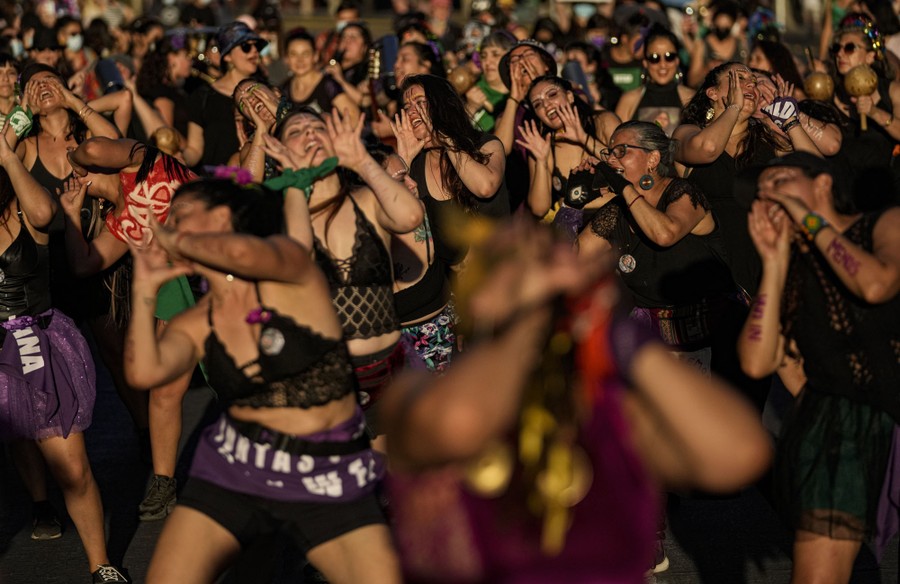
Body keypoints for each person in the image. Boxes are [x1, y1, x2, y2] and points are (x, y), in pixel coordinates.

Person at [382, 217, 772, 583]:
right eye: (518, 264)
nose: (544, 274)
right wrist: (527, 319)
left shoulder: (609, 412)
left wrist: (619, 333)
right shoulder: (413, 393)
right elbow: (457, 422)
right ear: (479, 297)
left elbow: (739, 453)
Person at [125, 178, 400, 584]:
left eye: (179, 215)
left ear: (221, 218)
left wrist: (173, 239)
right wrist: (144, 288)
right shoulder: (198, 319)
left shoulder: (289, 273)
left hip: (324, 470)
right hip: (238, 467)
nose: (166, 224)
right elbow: (143, 372)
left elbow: (238, 251)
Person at [738, 151, 900, 584]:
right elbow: (758, 362)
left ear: (823, 185)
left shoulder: (883, 224)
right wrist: (773, 265)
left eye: (782, 181)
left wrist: (809, 222)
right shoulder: (791, 265)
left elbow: (876, 283)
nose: (770, 195)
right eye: (763, 192)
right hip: (838, 428)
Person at [0, 123, 128, 583]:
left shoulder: (18, 212)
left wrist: (8, 156)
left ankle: (102, 564)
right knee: (18, 440)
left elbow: (44, 209)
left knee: (72, 467)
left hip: (35, 344)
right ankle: (38, 504)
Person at [61, 137, 197, 522]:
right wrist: (72, 214)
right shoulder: (120, 226)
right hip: (181, 281)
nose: (75, 180)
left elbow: (89, 150)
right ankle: (163, 480)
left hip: (224, 247)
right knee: (165, 387)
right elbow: (85, 264)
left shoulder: (141, 162)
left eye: (78, 178)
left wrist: (75, 161)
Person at [264, 106, 423, 435]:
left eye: (317, 127)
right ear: (279, 151)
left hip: (387, 368)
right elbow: (296, 261)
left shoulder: (366, 198)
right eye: (295, 131)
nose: (309, 133)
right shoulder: (280, 216)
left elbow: (410, 217)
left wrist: (362, 161)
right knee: (344, 477)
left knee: (392, 476)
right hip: (324, 374)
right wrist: (295, 182)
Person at [674, 62, 818, 296]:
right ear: (712, 92)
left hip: (766, 267)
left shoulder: (767, 140)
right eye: (740, 78)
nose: (751, 83)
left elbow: (817, 171)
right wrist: (733, 108)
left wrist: (791, 122)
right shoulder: (687, 132)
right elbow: (708, 148)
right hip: (711, 273)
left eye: (753, 80)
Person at [518, 74, 617, 225]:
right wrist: (541, 161)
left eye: (552, 94)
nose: (546, 105)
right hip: (570, 228)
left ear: (570, 96)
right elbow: (539, 209)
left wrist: (584, 138)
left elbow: (627, 169)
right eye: (537, 104)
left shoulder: (603, 121)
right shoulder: (542, 145)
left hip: (615, 219)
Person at [183, 22, 267, 170]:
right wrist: (177, 158)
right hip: (214, 183)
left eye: (257, 47)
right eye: (246, 47)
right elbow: (194, 150)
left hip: (254, 181)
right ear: (227, 56)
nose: (254, 52)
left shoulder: (267, 93)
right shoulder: (202, 97)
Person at [615, 25, 695, 137]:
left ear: (677, 60)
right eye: (654, 58)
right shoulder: (629, 100)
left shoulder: (691, 98)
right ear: (645, 62)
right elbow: (618, 143)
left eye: (669, 56)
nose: (662, 64)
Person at [281, 28, 360, 124]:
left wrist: (333, 134)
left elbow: (354, 116)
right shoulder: (284, 89)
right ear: (286, 59)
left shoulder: (328, 85)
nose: (300, 60)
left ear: (315, 56)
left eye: (305, 54)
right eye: (294, 54)